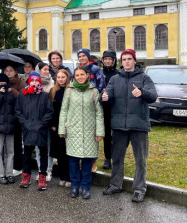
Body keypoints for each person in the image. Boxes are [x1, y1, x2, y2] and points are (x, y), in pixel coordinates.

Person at [101, 49, 157, 203]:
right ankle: (115, 185)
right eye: (124, 59)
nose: (126, 61)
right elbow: (108, 94)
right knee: (117, 158)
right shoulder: (114, 79)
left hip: (138, 125)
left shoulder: (144, 78)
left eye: (129, 59)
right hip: (119, 126)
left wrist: (143, 92)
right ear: (121, 61)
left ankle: (139, 189)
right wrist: (104, 97)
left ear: (134, 61)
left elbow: (153, 95)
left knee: (140, 160)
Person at [58, 67, 105, 199]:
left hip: (90, 132)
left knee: (87, 162)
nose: (79, 77)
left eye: (82, 74)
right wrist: (62, 129)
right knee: (73, 161)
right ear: (74, 77)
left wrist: (99, 131)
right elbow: (64, 111)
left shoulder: (94, 91)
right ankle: (74, 186)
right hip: (73, 132)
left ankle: (85, 187)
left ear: (87, 75)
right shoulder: (69, 91)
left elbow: (99, 114)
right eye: (77, 75)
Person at [16, 72, 53, 191]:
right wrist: (25, 123)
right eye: (32, 81)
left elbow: (49, 111)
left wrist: (42, 124)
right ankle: (26, 176)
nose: (35, 83)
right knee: (26, 154)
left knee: (43, 154)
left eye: (37, 81)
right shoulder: (22, 95)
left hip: (41, 129)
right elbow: (18, 111)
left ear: (40, 83)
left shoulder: (44, 95)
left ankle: (42, 176)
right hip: (27, 128)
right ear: (29, 82)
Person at [49, 69, 71, 188]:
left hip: (69, 125)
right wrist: (52, 124)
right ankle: (62, 176)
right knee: (60, 153)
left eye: (63, 77)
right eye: (59, 77)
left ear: (67, 78)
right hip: (57, 125)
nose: (61, 79)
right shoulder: (53, 91)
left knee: (69, 153)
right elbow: (51, 108)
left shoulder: (71, 90)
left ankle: (69, 177)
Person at [4, 65, 26, 177]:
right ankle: (8, 165)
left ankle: (17, 166)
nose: (8, 73)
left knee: (17, 142)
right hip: (6, 117)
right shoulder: (2, 82)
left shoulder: (20, 83)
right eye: (7, 71)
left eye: (11, 71)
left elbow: (23, 98)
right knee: (7, 143)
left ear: (15, 72)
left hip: (17, 116)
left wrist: (12, 90)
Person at [35, 62, 55, 181]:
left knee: (48, 146)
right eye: (44, 70)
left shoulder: (52, 83)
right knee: (39, 146)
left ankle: (48, 169)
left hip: (48, 119)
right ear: (39, 70)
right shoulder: (35, 83)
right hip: (37, 120)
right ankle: (40, 169)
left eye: (48, 69)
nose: (47, 72)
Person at [100, 50, 118, 170]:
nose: (107, 61)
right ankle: (107, 158)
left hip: (116, 108)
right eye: (105, 59)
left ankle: (116, 157)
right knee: (106, 134)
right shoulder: (100, 74)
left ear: (113, 61)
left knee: (116, 135)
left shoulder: (118, 74)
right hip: (103, 108)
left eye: (109, 59)